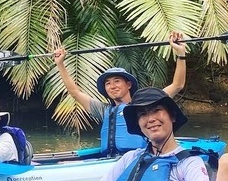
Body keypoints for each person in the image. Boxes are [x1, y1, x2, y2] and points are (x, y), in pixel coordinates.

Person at [43, 87, 212, 181]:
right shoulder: (131, 157)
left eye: (157, 110)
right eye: (143, 114)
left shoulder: (189, 163)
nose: (150, 119)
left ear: (172, 116)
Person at [52, 32, 188, 155]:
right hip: (109, 159)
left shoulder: (143, 106)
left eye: (117, 81)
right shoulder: (103, 110)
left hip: (136, 158)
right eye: (108, 83)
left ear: (128, 85)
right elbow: (75, 93)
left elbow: (177, 85)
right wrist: (60, 64)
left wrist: (180, 53)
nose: (112, 86)